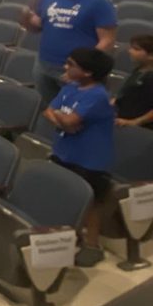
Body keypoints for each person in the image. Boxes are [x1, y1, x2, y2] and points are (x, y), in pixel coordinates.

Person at [45, 47, 116, 267]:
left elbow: (68, 121)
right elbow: (48, 110)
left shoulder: (97, 96)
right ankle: (70, 236)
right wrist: (61, 118)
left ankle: (93, 246)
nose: (65, 67)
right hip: (64, 150)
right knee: (64, 195)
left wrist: (61, 118)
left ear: (87, 72)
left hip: (90, 158)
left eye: (71, 64)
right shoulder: (72, 87)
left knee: (90, 202)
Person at [25, 0, 117, 105]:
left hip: (77, 72)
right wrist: (27, 20)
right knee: (51, 110)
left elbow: (107, 41)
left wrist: (81, 68)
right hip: (43, 65)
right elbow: (39, 26)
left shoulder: (99, 3)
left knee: (80, 114)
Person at [114, 35, 153, 130]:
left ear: (152, 55)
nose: (129, 51)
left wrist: (135, 122)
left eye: (136, 49)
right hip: (122, 120)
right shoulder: (139, 70)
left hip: (139, 128)